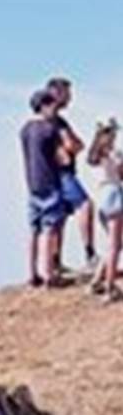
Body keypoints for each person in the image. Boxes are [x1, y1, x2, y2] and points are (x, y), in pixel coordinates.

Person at [48, 77, 97, 270]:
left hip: (53, 174)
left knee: (59, 217)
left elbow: (78, 145)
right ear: (57, 93)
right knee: (84, 205)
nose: (70, 98)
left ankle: (55, 261)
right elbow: (73, 145)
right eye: (68, 94)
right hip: (62, 173)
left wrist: (72, 146)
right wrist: (69, 147)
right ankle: (90, 254)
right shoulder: (56, 121)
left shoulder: (56, 120)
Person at [21, 88, 68, 288]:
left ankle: (32, 274)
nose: (55, 110)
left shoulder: (25, 129)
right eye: (52, 105)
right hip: (50, 182)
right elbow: (63, 158)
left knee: (34, 229)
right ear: (44, 106)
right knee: (49, 229)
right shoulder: (50, 129)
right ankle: (49, 275)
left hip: (32, 184)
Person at [88, 118, 123, 301]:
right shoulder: (112, 154)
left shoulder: (93, 156)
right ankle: (110, 288)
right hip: (113, 195)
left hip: (101, 197)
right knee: (114, 246)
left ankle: (96, 281)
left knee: (112, 243)